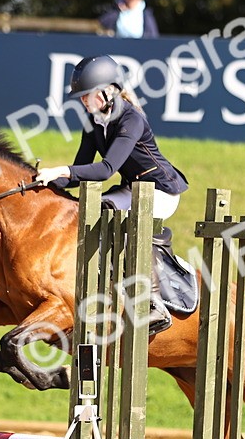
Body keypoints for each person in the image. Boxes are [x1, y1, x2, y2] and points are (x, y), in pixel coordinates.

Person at [35, 55, 188, 334]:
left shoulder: (132, 119)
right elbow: (81, 168)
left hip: (162, 192)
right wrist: (46, 183)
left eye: (87, 95)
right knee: (92, 212)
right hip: (134, 189)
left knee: (126, 228)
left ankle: (154, 304)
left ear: (108, 91)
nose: (82, 101)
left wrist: (62, 170)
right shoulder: (93, 121)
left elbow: (105, 170)